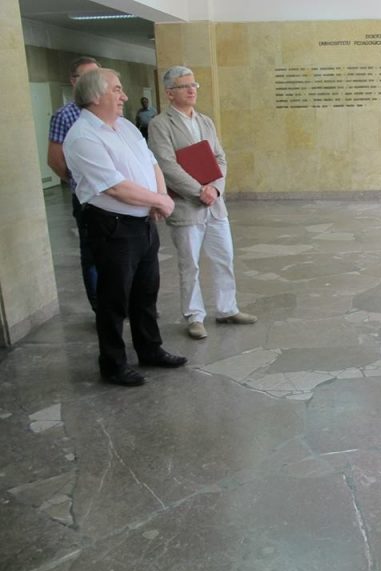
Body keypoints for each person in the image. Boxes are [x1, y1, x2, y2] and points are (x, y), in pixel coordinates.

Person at [63, 69, 187, 386]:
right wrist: (161, 201)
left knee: (146, 291)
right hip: (112, 226)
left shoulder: (126, 127)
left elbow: (152, 163)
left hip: (143, 222)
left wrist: (159, 197)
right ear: (95, 96)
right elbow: (114, 187)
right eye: (117, 89)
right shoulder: (82, 137)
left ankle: (150, 349)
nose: (125, 96)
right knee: (114, 298)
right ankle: (113, 363)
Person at [148, 66, 257, 340]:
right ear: (169, 93)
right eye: (184, 86)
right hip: (187, 206)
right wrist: (199, 191)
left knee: (224, 257)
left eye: (194, 85)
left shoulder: (205, 121)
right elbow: (166, 165)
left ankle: (227, 308)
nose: (191, 90)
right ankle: (194, 316)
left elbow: (220, 158)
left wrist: (215, 190)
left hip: (215, 205)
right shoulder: (160, 124)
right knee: (190, 265)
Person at [47, 56, 101, 312]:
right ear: (73, 81)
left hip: (115, 196)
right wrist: (78, 182)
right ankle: (99, 306)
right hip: (87, 197)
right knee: (91, 252)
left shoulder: (107, 110)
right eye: (87, 76)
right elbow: (55, 160)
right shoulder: (65, 115)